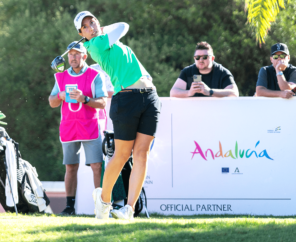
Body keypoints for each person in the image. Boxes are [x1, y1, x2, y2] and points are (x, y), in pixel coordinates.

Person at [74, 10, 161, 220]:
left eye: (92, 22)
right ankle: (104, 201)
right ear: (82, 33)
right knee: (122, 155)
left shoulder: (112, 43)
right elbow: (123, 26)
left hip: (149, 97)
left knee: (142, 155)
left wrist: (101, 29)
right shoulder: (94, 45)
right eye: (85, 26)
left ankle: (129, 209)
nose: (91, 26)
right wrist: (100, 31)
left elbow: (122, 31)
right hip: (126, 100)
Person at [48, 42, 107, 215]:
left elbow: (103, 102)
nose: (73, 57)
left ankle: (100, 207)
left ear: (84, 56)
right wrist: (60, 95)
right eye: (71, 55)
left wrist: (85, 99)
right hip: (69, 127)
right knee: (70, 167)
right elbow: (52, 102)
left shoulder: (95, 75)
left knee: (96, 166)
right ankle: (69, 207)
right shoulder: (61, 77)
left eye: (77, 54)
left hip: (90, 126)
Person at [170, 41, 239, 98]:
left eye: (205, 57)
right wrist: (189, 92)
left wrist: (210, 92)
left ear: (212, 58)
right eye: (197, 57)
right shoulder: (187, 72)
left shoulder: (222, 72)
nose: (201, 60)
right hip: (193, 112)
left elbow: (234, 93)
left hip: (217, 112)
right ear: (194, 58)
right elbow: (173, 93)